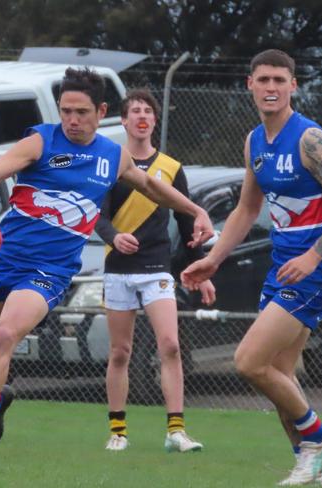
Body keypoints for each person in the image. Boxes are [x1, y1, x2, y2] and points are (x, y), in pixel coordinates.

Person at [0, 67, 214, 465]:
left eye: (81, 112)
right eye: (66, 111)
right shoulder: (40, 141)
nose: (72, 120)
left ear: (100, 111)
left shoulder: (113, 156)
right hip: (3, 257)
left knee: (4, 337)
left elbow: (151, 186)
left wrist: (195, 208)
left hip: (49, 270)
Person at [181, 49, 322, 486]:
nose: (271, 87)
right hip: (283, 267)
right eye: (263, 80)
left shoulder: (311, 139)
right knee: (280, 376)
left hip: (318, 267)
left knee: (249, 362)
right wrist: (213, 260)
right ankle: (311, 469)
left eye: (279, 80)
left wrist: (313, 256)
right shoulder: (255, 140)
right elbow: (246, 207)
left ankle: (319, 436)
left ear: (293, 86)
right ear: (249, 85)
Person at [95, 89, 215, 453]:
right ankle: (118, 431)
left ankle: (176, 431)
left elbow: (187, 221)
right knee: (120, 352)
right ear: (125, 119)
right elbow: (97, 218)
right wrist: (115, 238)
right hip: (118, 270)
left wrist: (203, 270)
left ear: (154, 120)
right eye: (135, 110)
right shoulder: (111, 163)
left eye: (148, 110)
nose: (142, 116)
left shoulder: (172, 168)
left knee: (170, 345)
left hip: (156, 269)